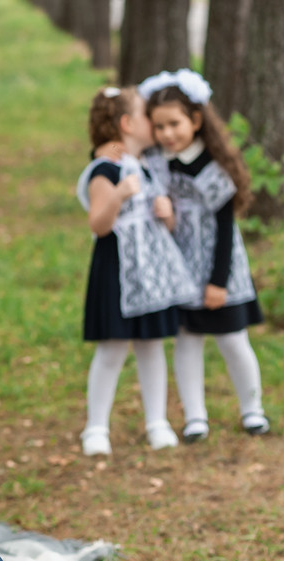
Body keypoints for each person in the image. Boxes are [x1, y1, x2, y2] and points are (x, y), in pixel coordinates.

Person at [139, 68, 269, 443]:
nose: (167, 134)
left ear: (196, 120)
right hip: (179, 268)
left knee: (232, 340)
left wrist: (218, 281)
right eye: (159, 126)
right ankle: (195, 416)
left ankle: (252, 409)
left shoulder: (211, 167)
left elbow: (226, 229)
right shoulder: (155, 161)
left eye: (175, 124)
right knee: (187, 340)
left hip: (217, 267)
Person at [76, 86, 198, 455]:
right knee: (112, 348)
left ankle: (157, 421)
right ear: (128, 124)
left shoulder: (145, 166)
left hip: (151, 270)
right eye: (147, 116)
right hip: (117, 268)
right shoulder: (106, 169)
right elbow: (98, 223)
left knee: (151, 346)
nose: (155, 124)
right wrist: (119, 194)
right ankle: (96, 427)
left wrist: (167, 213)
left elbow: (159, 218)